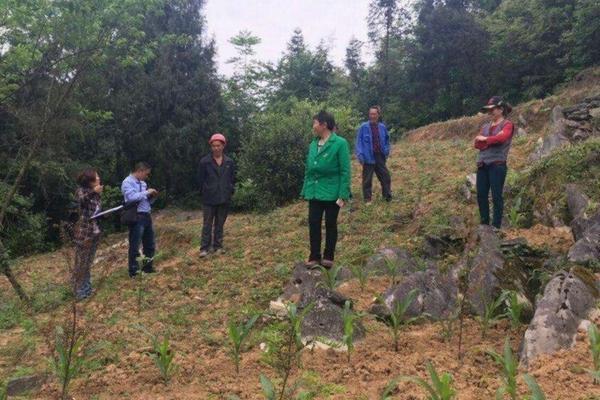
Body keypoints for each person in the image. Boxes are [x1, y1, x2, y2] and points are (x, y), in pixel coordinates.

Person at [301, 110, 351, 269]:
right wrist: (305, 190)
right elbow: (308, 170)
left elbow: (345, 171)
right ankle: (314, 256)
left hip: (332, 192)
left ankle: (329, 255)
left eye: (315, 123)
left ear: (324, 125)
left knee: (331, 224)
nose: (313, 126)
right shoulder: (313, 144)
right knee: (313, 223)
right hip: (314, 191)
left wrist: (343, 194)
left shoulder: (340, 143)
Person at [474, 96, 514, 229]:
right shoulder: (485, 126)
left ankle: (496, 227)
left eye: (492, 109)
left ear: (501, 109)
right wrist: (490, 141)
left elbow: (502, 138)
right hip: (482, 165)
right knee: (481, 195)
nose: (490, 112)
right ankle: (484, 224)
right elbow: (476, 143)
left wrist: (485, 139)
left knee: (496, 195)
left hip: (497, 165)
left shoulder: (507, 125)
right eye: (488, 110)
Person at [198, 133, 236, 257]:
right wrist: (204, 192)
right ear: (211, 147)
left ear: (223, 146)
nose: (216, 148)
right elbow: (200, 180)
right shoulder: (205, 162)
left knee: (220, 224)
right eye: (214, 146)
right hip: (209, 199)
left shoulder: (229, 162)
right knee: (207, 224)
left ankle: (218, 246)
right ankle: (204, 248)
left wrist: (230, 190)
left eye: (218, 146)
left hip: (224, 198)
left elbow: (232, 179)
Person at [121, 162, 159, 277]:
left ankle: (148, 267)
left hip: (146, 214)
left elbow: (144, 199)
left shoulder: (143, 183)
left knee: (149, 244)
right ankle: (134, 271)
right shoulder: (127, 182)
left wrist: (151, 196)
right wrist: (147, 192)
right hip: (136, 216)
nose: (147, 177)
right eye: (146, 174)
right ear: (140, 171)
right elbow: (131, 198)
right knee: (135, 244)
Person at [72, 168, 103, 300]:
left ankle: (87, 289)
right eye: (96, 177)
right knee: (81, 264)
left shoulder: (97, 194)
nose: (99, 179)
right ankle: (79, 293)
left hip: (94, 233)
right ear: (89, 181)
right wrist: (93, 192)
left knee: (88, 263)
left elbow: (94, 213)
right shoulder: (81, 191)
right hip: (84, 234)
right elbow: (81, 201)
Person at [355, 105, 392, 204]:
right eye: (371, 114)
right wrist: (360, 155)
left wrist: (387, 150)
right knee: (367, 179)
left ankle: (387, 197)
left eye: (374, 114)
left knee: (386, 177)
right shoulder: (363, 127)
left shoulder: (382, 127)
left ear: (378, 115)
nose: (372, 116)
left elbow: (387, 140)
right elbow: (359, 142)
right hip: (368, 157)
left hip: (380, 156)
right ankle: (368, 200)